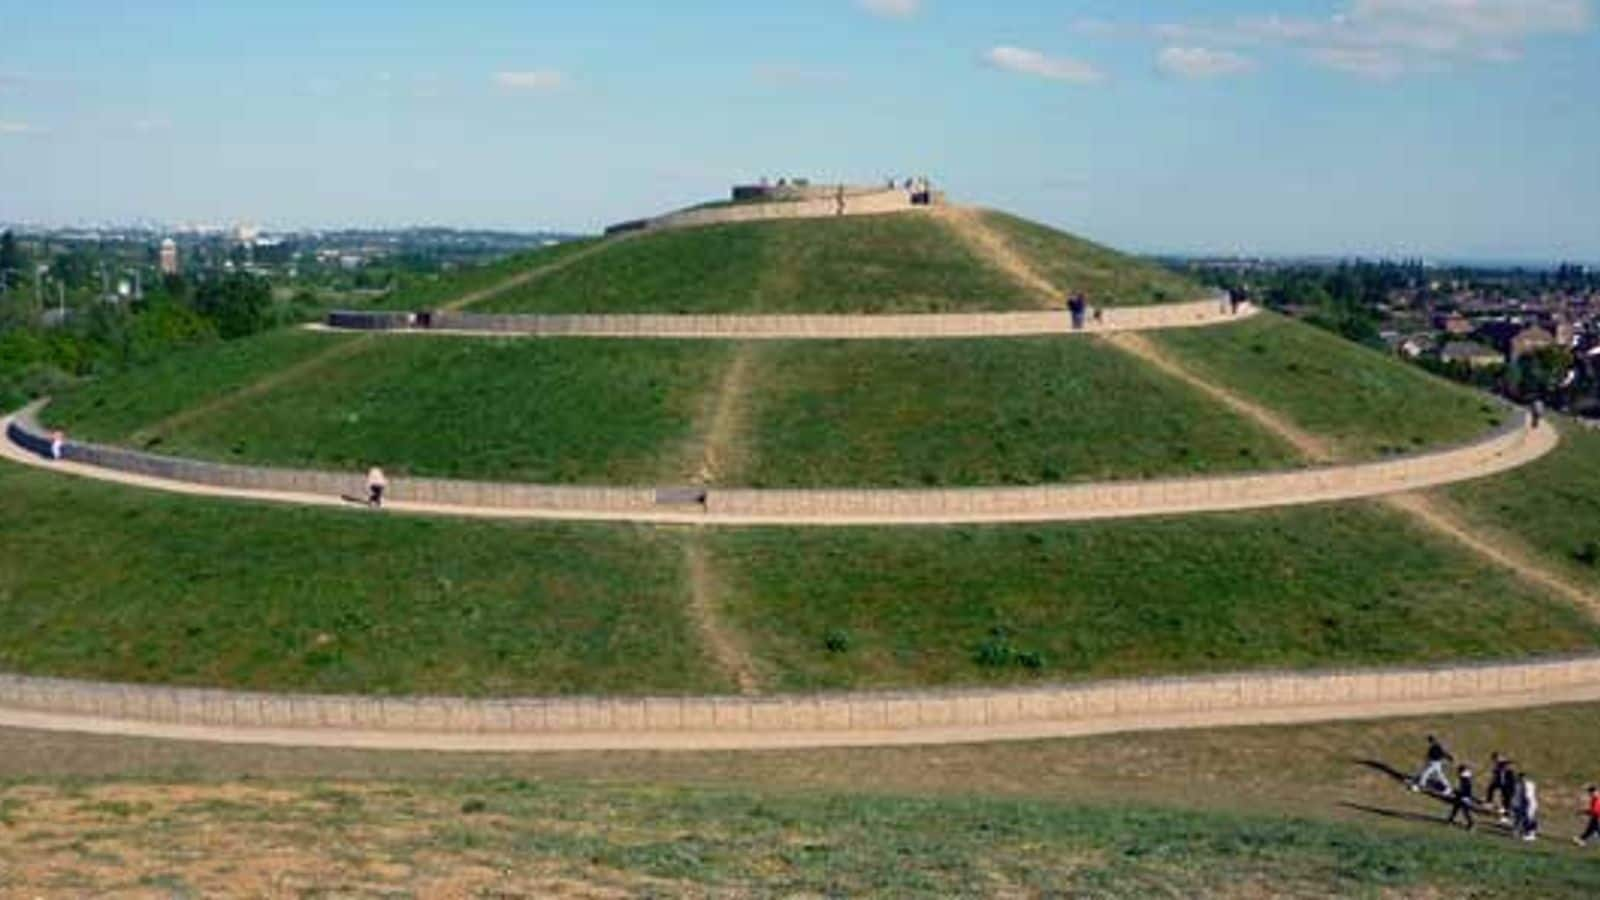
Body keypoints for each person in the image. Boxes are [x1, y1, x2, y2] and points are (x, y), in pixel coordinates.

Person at [1485, 753, 1515, 819]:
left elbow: (1505, 766)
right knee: (1491, 789)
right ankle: (1490, 803)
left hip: (1507, 785)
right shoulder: (1500, 764)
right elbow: (1497, 773)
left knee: (1506, 799)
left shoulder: (1504, 765)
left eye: (1495, 759)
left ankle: (1506, 813)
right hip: (1501, 784)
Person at [1447, 764, 1476, 830]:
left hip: (1464, 797)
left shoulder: (1464, 778)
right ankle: (1450, 820)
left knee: (1465, 811)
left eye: (1459, 771)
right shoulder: (1465, 777)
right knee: (1456, 808)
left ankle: (1471, 824)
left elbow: (1464, 789)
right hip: (1462, 796)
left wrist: (1456, 792)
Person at [1515, 774, 1540, 841]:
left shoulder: (1527, 785)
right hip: (1526, 803)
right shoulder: (1521, 784)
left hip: (1530, 803)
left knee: (1529, 818)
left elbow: (1527, 797)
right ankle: (1527, 832)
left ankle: (1531, 834)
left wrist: (1525, 805)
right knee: (1526, 818)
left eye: (1521, 779)